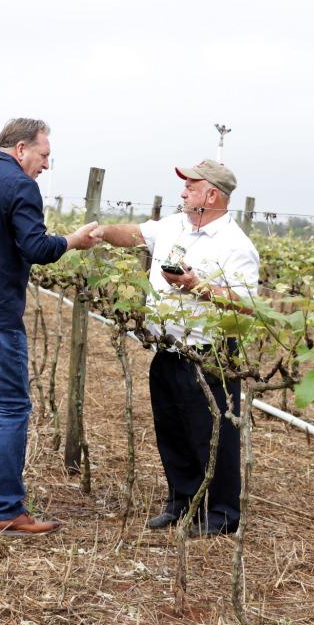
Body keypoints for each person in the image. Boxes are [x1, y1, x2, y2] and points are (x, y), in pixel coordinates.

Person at [0, 118, 101, 536]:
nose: (46, 165)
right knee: (12, 408)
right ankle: (7, 510)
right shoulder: (20, 186)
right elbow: (37, 248)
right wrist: (72, 241)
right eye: (44, 155)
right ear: (22, 148)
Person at [94, 159, 258, 536]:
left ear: (212, 194)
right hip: (168, 350)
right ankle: (181, 502)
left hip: (211, 355)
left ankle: (221, 515)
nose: (182, 193)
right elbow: (134, 234)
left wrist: (195, 286)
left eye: (190, 186)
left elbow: (247, 303)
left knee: (213, 436)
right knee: (173, 431)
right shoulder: (174, 226)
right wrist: (101, 232)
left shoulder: (236, 245)